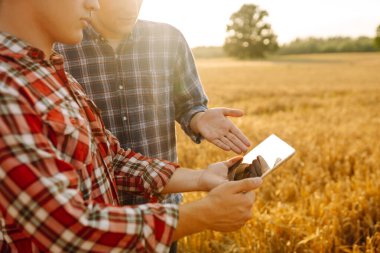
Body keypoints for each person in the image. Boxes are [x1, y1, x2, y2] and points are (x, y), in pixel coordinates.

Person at [0, 1, 263, 252]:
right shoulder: (7, 89)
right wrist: (201, 215)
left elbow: (109, 159)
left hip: (140, 225)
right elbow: (66, 229)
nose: (94, 4)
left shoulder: (52, 71)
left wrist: (201, 177)